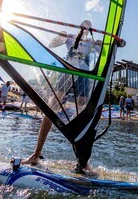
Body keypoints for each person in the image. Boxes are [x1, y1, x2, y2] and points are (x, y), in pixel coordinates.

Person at [23, 20, 101, 171]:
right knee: (50, 109)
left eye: (88, 26)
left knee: (84, 114)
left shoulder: (91, 42)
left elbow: (102, 53)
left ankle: (83, 161)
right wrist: (61, 36)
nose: (85, 27)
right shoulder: (71, 36)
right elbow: (52, 45)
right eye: (83, 24)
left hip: (83, 75)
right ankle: (36, 154)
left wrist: (101, 44)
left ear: (90, 29)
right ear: (80, 26)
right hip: (66, 71)